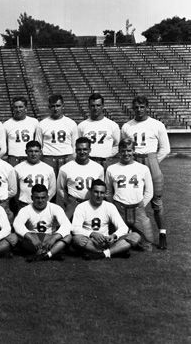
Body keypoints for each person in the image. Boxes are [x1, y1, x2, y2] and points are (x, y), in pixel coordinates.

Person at [121, 96, 170, 249]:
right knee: (129, 196)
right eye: (136, 107)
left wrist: (153, 163)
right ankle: (128, 231)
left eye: (142, 107)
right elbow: (125, 146)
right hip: (133, 162)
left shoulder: (157, 124)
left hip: (150, 160)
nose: (139, 110)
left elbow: (165, 148)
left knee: (156, 200)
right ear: (132, 108)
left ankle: (162, 233)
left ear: (147, 107)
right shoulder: (127, 126)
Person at [105, 138, 154, 251]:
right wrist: (113, 206)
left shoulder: (143, 168)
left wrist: (142, 205)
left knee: (147, 245)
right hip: (119, 208)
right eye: (123, 151)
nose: (126, 153)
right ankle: (128, 238)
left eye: (129, 150)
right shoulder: (111, 169)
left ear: (133, 151)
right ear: (119, 151)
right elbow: (108, 191)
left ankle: (130, 237)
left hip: (138, 209)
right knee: (111, 242)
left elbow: (149, 191)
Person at [71, 179, 140, 259]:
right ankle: (113, 252)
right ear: (90, 191)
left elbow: (123, 227)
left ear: (105, 194)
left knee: (135, 236)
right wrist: (92, 234)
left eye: (102, 193)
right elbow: (74, 228)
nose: (99, 195)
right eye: (96, 192)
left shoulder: (109, 206)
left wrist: (113, 236)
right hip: (91, 241)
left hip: (107, 241)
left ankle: (101, 254)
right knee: (77, 239)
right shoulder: (82, 207)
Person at [13, 184, 72, 262]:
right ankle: (52, 253)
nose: (40, 200)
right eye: (37, 198)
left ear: (47, 197)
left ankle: (47, 255)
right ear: (32, 198)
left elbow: (66, 224)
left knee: (68, 236)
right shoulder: (26, 209)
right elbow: (17, 224)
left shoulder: (55, 208)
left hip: (49, 239)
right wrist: (31, 237)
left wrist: (54, 237)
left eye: (43, 197)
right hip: (33, 240)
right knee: (14, 236)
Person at [56, 137, 104, 220]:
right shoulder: (65, 168)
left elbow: (101, 188)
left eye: (85, 149)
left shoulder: (98, 168)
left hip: (91, 203)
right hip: (73, 203)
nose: (82, 152)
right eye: (79, 149)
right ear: (75, 150)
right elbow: (60, 189)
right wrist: (68, 202)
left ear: (90, 150)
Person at [35, 94, 78, 177]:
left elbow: (74, 145)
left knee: (67, 183)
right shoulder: (42, 124)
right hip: (48, 158)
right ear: (49, 107)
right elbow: (39, 145)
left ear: (63, 106)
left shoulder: (71, 123)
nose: (55, 109)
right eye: (53, 106)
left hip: (66, 158)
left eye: (58, 106)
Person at [77, 93, 120, 169]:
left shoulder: (112, 125)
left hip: (106, 162)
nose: (95, 108)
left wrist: (108, 154)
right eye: (93, 105)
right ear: (89, 107)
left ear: (103, 106)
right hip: (89, 162)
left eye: (98, 105)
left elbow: (117, 144)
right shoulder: (82, 125)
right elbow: (78, 144)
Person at [14, 141, 56, 213]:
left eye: (36, 151)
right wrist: (20, 201)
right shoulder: (17, 168)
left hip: (43, 205)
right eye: (30, 151)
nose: (33, 154)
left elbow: (52, 189)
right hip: (24, 204)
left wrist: (43, 201)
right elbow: (15, 189)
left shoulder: (48, 169)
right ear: (26, 152)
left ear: (40, 152)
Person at [3, 96, 39, 167]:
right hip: (13, 158)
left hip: (29, 157)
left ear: (26, 108)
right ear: (13, 109)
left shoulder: (34, 122)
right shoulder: (6, 124)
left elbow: (37, 141)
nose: (18, 109)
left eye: (20, 107)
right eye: (16, 107)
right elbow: (4, 144)